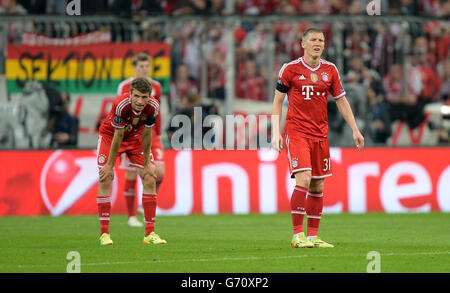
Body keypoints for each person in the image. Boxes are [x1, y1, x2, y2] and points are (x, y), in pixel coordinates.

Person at [271, 27, 364, 248]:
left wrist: (355, 129)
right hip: (297, 132)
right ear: (302, 44)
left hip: (320, 135)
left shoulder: (330, 70)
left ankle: (313, 236)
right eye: (313, 39)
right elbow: (277, 101)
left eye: (321, 40)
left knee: (317, 185)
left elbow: (341, 100)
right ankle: (297, 236)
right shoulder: (290, 69)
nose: (317, 43)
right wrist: (276, 131)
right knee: (303, 178)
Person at [96, 77, 166, 246]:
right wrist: (109, 165)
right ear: (130, 94)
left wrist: (149, 161)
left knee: (150, 176)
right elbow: (118, 136)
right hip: (110, 137)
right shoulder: (121, 104)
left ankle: (150, 234)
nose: (140, 101)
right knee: (106, 177)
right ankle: (105, 233)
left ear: (150, 96)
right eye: (136, 96)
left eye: (144, 97)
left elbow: (148, 133)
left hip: (135, 139)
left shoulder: (154, 106)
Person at [117, 52, 165, 227]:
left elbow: (157, 113)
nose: (144, 70)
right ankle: (131, 217)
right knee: (131, 173)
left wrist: (159, 134)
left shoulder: (157, 87)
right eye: (141, 67)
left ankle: (141, 204)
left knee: (159, 173)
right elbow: (119, 110)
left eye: (146, 66)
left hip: (151, 135)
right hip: (132, 136)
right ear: (134, 68)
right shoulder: (124, 86)